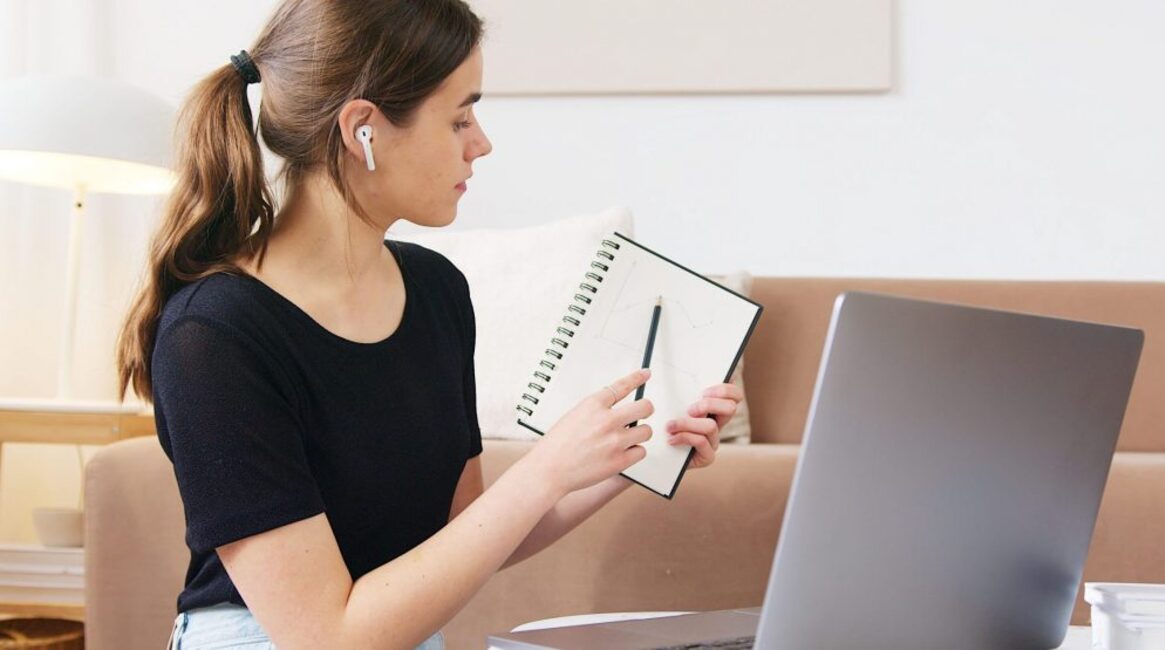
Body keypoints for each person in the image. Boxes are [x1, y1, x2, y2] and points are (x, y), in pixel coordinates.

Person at [115, 1, 744, 648]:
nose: (482, 143)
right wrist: (541, 469)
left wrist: (627, 455)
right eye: (459, 118)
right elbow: (325, 635)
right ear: (364, 130)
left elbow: (466, 532)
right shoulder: (214, 337)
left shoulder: (436, 291)